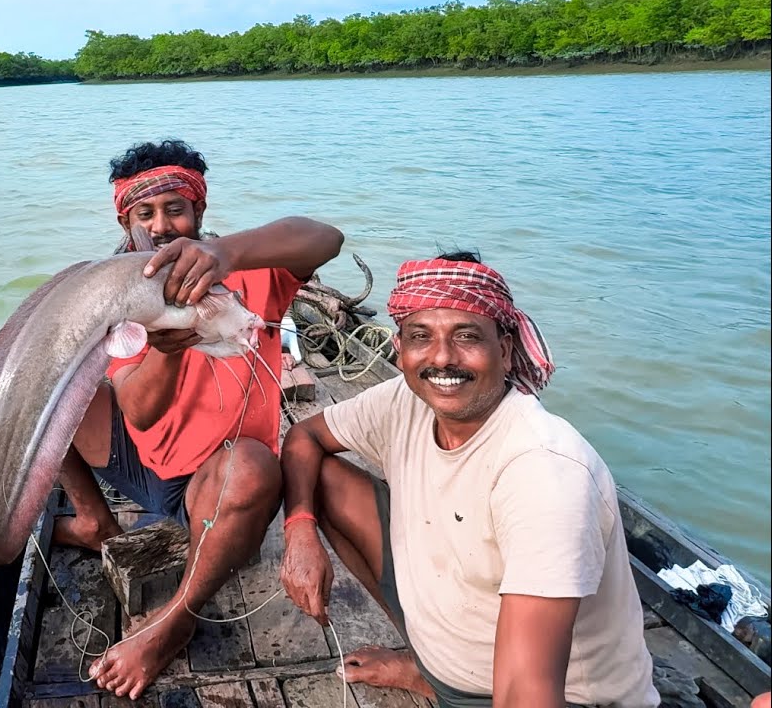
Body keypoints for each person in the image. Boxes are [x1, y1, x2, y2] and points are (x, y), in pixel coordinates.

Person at [279, 252, 660, 707]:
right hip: (458, 659)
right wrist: (299, 530)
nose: (441, 357)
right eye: (422, 336)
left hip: (564, 697)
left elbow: (527, 693)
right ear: (398, 348)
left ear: (504, 349)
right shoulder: (401, 400)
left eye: (466, 336)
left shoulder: (543, 471)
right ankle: (429, 667)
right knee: (320, 478)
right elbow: (303, 438)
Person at [57, 139, 344, 701]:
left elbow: (326, 239)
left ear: (199, 212)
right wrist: (167, 349)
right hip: (141, 463)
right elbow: (139, 408)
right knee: (59, 388)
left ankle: (178, 618)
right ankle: (95, 521)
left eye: (175, 209)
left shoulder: (252, 272)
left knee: (255, 466)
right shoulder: (119, 290)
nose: (162, 225)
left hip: (213, 485)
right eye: (146, 213)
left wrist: (228, 256)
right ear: (127, 220)